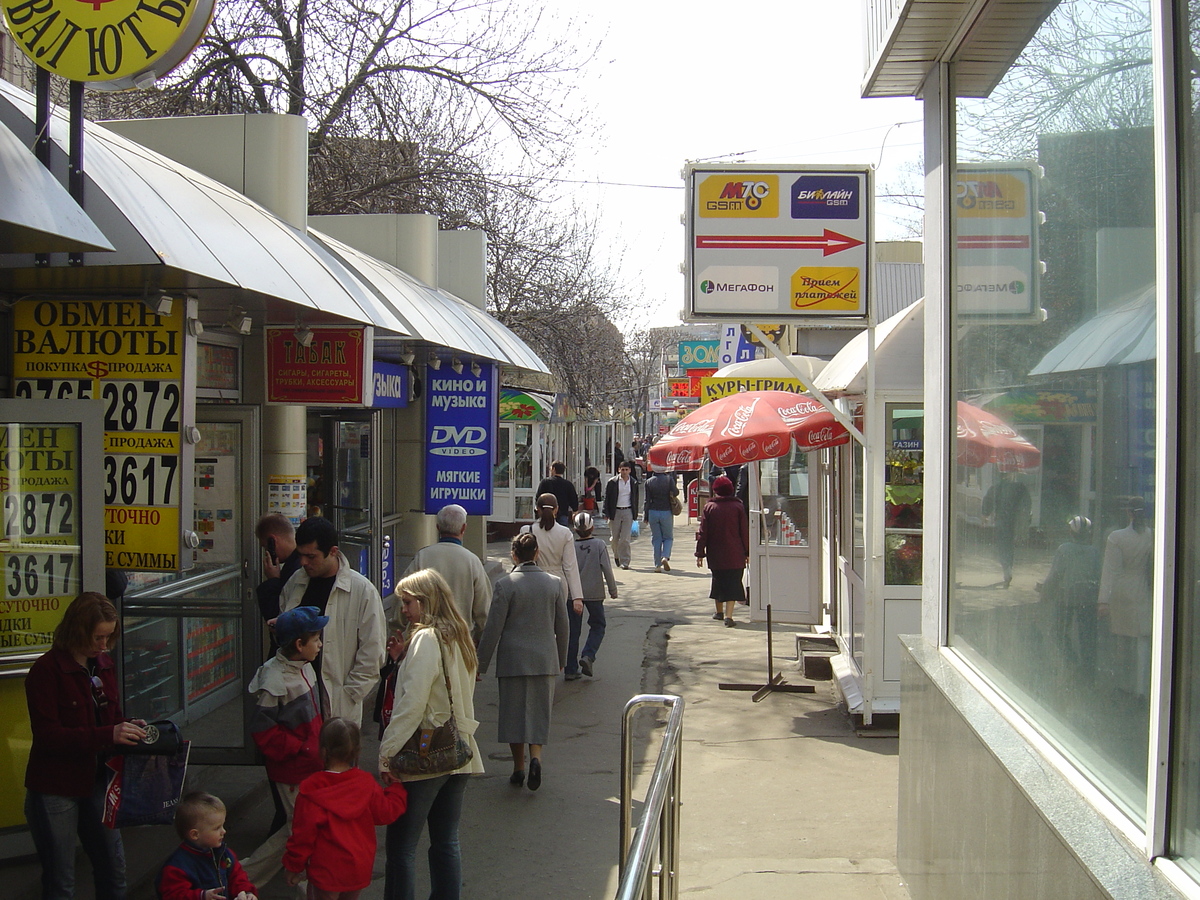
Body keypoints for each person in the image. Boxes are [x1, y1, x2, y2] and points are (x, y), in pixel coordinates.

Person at [24, 591, 147, 900]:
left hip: (98, 780)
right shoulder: (46, 671)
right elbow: (49, 736)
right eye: (98, 637)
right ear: (78, 632)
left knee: (114, 870)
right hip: (56, 785)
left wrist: (130, 727)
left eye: (108, 637)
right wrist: (109, 734)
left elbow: (111, 715)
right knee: (61, 880)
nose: (103, 645)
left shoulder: (102, 665)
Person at [379, 569, 484, 900]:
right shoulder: (459, 633)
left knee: (401, 847)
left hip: (426, 752)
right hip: (459, 748)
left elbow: (412, 704)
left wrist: (386, 753)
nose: (404, 611)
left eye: (408, 603)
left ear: (425, 602)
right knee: (445, 841)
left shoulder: (426, 638)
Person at [240, 606, 329, 887]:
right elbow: (264, 731)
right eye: (315, 639)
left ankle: (245, 877)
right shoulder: (275, 679)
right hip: (292, 770)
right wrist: (303, 749)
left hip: (309, 765)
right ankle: (252, 878)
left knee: (298, 829)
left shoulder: (304, 667)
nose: (320, 644)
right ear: (299, 645)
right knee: (299, 831)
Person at [477, 532, 569, 790]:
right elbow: (562, 625)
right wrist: (561, 657)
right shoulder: (554, 583)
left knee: (513, 714)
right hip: (544, 658)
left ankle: (518, 767)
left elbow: (493, 627)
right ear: (537, 553)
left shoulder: (506, 585)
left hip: (512, 660)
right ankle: (536, 759)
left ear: (513, 555)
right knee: (539, 712)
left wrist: (480, 664)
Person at [284, 718, 408, 900]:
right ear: (356, 751)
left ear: (323, 750)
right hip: (358, 867)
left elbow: (303, 836)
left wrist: (293, 866)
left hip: (326, 870)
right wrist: (396, 789)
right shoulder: (365, 783)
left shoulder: (311, 790)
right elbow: (386, 813)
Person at [280, 517, 386, 725]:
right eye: (300, 555)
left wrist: (349, 695)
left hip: (337, 704)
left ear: (333, 551)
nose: (303, 563)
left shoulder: (363, 591)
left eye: (311, 556)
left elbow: (373, 653)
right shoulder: (296, 582)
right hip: (296, 699)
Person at [403, 504, 492, 642]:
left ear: (437, 527)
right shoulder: (472, 561)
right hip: (460, 640)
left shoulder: (423, 557)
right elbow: (484, 611)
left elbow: (404, 596)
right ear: (464, 528)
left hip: (425, 638)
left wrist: (397, 629)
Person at [1098, 497, 1154, 697]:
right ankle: (1142, 689)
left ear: (1129, 513)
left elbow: (1110, 570)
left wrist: (1103, 600)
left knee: (1122, 640)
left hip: (1122, 591)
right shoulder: (1152, 535)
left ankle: (1123, 684)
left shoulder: (1116, 537)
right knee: (1142, 639)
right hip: (1143, 590)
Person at [157, 792, 257, 900]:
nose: (223, 831)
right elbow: (173, 896)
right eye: (216, 828)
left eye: (222, 825)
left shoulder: (224, 854)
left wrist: (246, 893)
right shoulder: (178, 866)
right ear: (195, 834)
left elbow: (237, 877)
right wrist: (202, 896)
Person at [1035, 515, 1101, 673]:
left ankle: (1071, 659)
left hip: (1067, 597)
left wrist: (1044, 591)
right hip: (1088, 597)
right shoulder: (1095, 552)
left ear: (1071, 532)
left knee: (1059, 631)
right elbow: (1098, 575)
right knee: (1087, 635)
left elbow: (1055, 575)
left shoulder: (1064, 549)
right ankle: (1087, 668)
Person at [566, 512, 617, 680]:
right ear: (592, 528)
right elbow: (607, 569)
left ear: (575, 529)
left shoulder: (570, 546)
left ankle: (570, 669)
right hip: (594, 592)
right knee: (598, 625)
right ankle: (588, 655)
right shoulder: (599, 545)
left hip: (573, 594)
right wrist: (612, 589)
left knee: (573, 631)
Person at [695, 475, 750, 627]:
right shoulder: (738, 507)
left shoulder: (709, 507)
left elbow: (703, 532)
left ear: (715, 490)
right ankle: (729, 616)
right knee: (733, 582)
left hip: (716, 553)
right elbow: (744, 531)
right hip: (735, 552)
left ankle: (718, 612)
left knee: (718, 581)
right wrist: (747, 552)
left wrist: (700, 553)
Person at [521, 493, 584, 623]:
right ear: (556, 510)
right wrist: (577, 596)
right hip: (559, 582)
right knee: (557, 623)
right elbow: (570, 566)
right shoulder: (565, 533)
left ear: (537, 509)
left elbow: (518, 560)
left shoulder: (526, 530)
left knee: (534, 622)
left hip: (533, 580)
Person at [981, 471, 1031, 586]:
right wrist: (1026, 519)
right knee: (1010, 547)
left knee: (1003, 546)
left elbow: (988, 500)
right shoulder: (1021, 487)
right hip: (1016, 522)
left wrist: (985, 515)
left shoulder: (997, 487)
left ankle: (1006, 569)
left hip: (1002, 522)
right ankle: (1008, 567)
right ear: (1012, 474)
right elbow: (1027, 504)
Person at [255, 513, 303, 634]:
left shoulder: (295, 569)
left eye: (266, 547)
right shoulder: (296, 562)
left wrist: (273, 581)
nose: (266, 552)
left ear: (273, 541)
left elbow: (276, 616)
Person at [604, 460, 640, 570]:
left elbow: (635, 498)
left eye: (626, 470)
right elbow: (607, 498)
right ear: (619, 470)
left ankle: (625, 561)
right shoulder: (613, 482)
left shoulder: (633, 483)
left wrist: (635, 514)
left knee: (625, 538)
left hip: (627, 511)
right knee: (615, 538)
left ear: (629, 470)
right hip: (615, 512)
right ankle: (616, 555)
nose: (624, 472)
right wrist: (606, 512)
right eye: (622, 469)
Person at [644, 464, 681, 572]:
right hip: (666, 511)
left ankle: (657, 565)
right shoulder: (668, 480)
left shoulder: (649, 482)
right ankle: (665, 556)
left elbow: (647, 500)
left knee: (656, 539)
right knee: (668, 537)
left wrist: (646, 515)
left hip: (653, 512)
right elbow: (676, 492)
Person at [536, 461, 579, 527]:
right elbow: (573, 499)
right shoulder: (568, 484)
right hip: (563, 514)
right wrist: (575, 511)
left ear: (554, 469)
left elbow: (539, 497)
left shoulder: (545, 482)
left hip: (546, 514)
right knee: (562, 533)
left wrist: (538, 509)